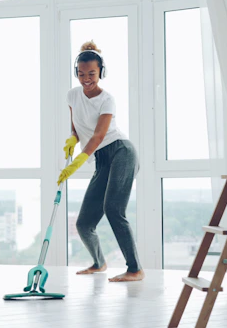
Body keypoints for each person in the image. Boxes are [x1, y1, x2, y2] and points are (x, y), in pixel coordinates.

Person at [57, 41, 144, 282]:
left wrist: (79, 161)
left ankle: (135, 269)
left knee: (113, 209)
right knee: (85, 223)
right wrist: (72, 140)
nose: (86, 79)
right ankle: (99, 262)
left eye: (92, 74)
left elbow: (98, 135)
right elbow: (77, 128)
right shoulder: (72, 95)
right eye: (82, 74)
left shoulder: (107, 100)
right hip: (101, 159)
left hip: (121, 153)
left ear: (101, 73)